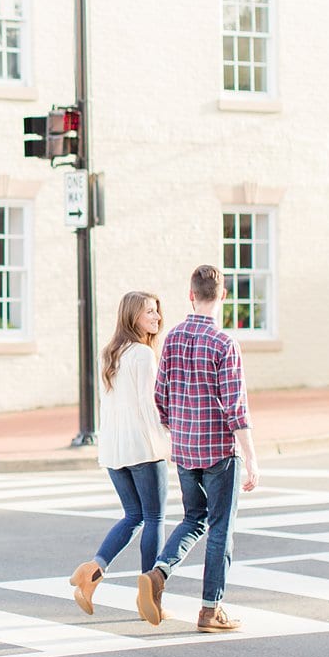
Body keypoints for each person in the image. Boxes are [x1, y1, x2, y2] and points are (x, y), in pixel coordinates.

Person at [136, 264, 259, 633]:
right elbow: (235, 406)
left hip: (186, 449)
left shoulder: (171, 338)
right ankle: (210, 609)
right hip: (220, 450)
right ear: (222, 297)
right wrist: (251, 457)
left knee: (193, 518)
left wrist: (180, 429)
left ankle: (158, 574)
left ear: (190, 295)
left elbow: (160, 396)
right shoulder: (224, 343)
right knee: (221, 527)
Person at [70, 291, 170, 617]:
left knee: (133, 516)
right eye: (149, 313)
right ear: (132, 317)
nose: (156, 318)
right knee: (153, 517)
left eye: (156, 312)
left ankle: (93, 571)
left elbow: (110, 405)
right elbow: (149, 406)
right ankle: (149, 598)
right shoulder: (142, 355)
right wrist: (170, 439)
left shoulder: (110, 353)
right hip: (143, 447)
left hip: (115, 449)